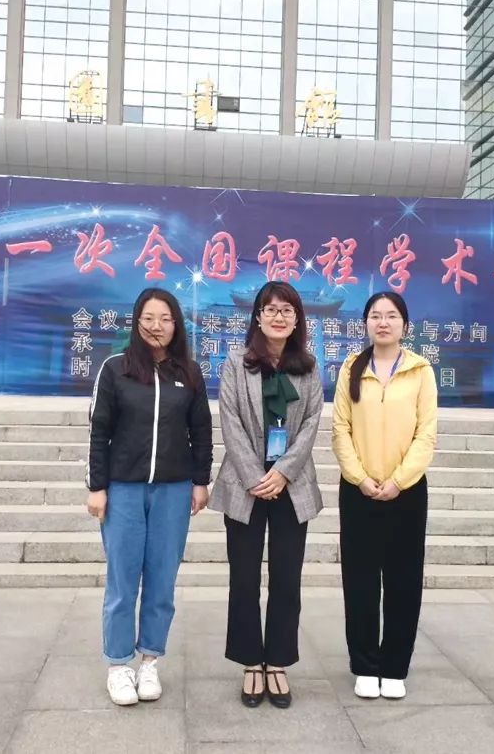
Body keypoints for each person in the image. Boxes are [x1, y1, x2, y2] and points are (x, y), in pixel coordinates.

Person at [86, 287, 213, 706]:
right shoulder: (115, 369)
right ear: (136, 321)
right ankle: (119, 665)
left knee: (161, 581)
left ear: (176, 325)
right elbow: (99, 431)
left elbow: (201, 430)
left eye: (165, 319)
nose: (156, 326)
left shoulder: (189, 373)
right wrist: (97, 487)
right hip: (123, 489)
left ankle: (150, 661)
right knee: (122, 581)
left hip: (174, 491)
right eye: (148, 318)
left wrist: (200, 481)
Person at [210, 281, 324, 709]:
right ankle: (249, 663)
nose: (279, 316)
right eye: (271, 309)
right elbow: (230, 421)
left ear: (297, 320)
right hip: (246, 486)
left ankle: (277, 662)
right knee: (243, 579)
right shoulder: (236, 364)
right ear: (258, 316)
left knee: (286, 579)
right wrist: (256, 475)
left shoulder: (308, 367)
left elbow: (312, 422)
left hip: (292, 487)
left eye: (287, 310)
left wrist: (283, 472)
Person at [331, 291, 438, 701]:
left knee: (403, 580)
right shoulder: (351, 368)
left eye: (391, 316)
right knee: (359, 580)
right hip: (358, 490)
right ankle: (364, 665)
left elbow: (426, 434)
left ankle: (394, 667)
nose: (383, 322)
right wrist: (359, 477)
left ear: (404, 325)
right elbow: (340, 428)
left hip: (406, 492)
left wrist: (399, 480)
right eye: (375, 316)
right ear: (365, 324)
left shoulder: (421, 371)